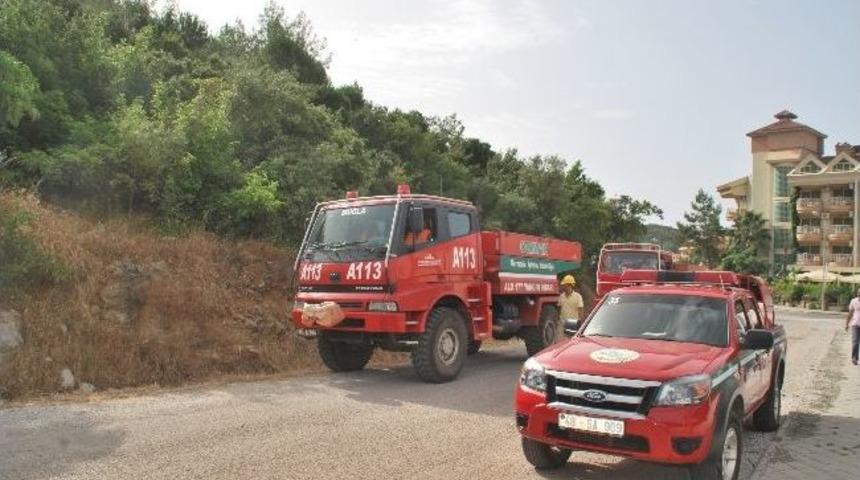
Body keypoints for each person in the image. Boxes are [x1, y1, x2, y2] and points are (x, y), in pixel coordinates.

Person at [846, 288, 860, 365]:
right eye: (859, 293)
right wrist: (847, 324)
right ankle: (854, 358)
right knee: (855, 342)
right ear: (857, 294)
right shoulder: (853, 301)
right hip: (855, 324)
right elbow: (850, 313)